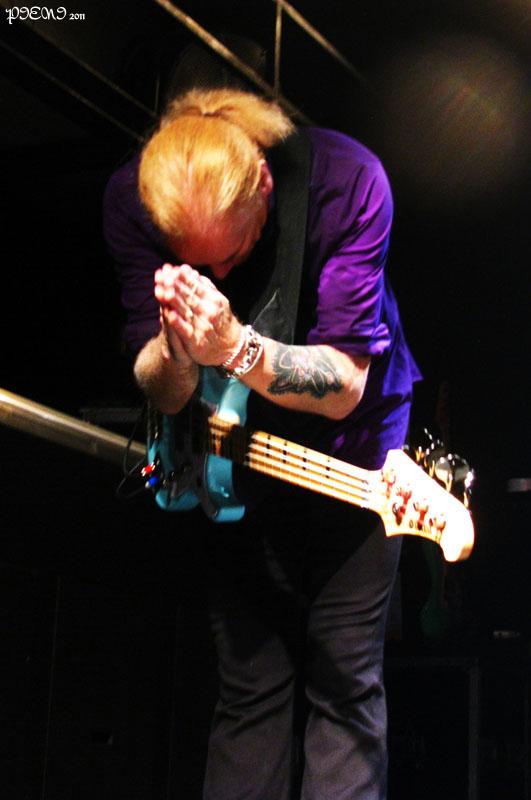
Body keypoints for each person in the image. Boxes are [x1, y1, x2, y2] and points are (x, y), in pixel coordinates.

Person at [103, 87, 421, 799]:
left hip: (352, 451)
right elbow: (163, 390)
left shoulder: (346, 182)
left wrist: (234, 347)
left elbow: (344, 383)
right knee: (250, 686)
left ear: (265, 188)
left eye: (233, 254)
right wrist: (176, 346)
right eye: (197, 263)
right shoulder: (129, 199)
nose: (220, 276)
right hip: (231, 452)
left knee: (343, 682)